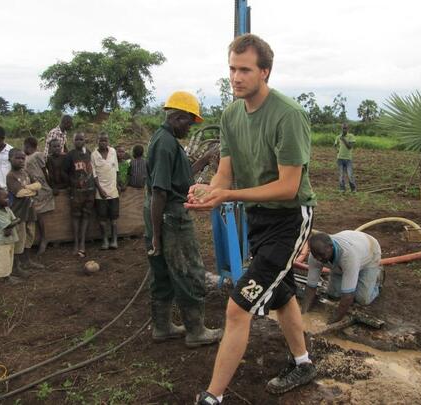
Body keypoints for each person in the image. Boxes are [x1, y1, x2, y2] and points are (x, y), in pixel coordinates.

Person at [186, 34, 317, 404]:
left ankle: (213, 397)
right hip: (258, 218)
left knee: (238, 306)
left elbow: (288, 187)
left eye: (244, 69)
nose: (236, 77)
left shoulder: (288, 115)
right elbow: (225, 172)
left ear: (265, 72)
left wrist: (228, 196)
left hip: (290, 218)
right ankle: (303, 363)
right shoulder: (230, 116)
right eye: (232, 68)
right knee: (282, 293)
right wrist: (211, 191)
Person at [145, 91, 223, 350]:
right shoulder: (166, 143)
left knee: (163, 273)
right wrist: (157, 235)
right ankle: (196, 331)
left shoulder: (164, 139)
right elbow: (159, 191)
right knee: (189, 271)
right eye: (189, 123)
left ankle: (162, 326)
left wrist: (203, 161)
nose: (190, 128)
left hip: (160, 215)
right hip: (171, 217)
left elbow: (179, 177)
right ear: (178, 117)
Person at [305, 231, 384, 321]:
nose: (318, 258)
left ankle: (377, 278)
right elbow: (311, 287)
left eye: (322, 255)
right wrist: (303, 313)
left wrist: (333, 321)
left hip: (370, 252)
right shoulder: (316, 254)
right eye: (315, 255)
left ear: (330, 247)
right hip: (349, 255)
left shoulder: (348, 256)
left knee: (362, 299)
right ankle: (352, 276)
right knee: (334, 294)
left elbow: (348, 296)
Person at [6, 149, 45, 272]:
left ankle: (27, 261)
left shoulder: (25, 172)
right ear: (10, 159)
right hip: (18, 212)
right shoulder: (11, 176)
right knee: (20, 238)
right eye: (17, 158)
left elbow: (39, 185)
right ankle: (16, 266)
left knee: (29, 236)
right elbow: (20, 193)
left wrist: (28, 188)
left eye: (23, 158)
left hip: (30, 210)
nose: (21, 161)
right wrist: (32, 190)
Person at [64, 133, 95, 257]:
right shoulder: (70, 155)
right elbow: (64, 172)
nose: (78, 141)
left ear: (85, 140)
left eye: (81, 139)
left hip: (90, 190)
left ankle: (82, 243)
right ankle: (76, 243)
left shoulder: (89, 153)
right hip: (76, 192)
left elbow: (93, 171)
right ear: (73, 141)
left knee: (86, 216)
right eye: (76, 139)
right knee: (76, 216)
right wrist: (73, 182)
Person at [24, 137, 55, 255]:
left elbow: (45, 170)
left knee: (38, 214)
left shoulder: (37, 155)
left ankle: (44, 239)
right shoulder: (26, 157)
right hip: (33, 188)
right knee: (34, 214)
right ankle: (36, 240)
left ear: (27, 145)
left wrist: (50, 185)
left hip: (41, 188)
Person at [91, 133, 119, 250]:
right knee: (102, 218)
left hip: (113, 191)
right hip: (100, 192)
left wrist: (116, 185)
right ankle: (105, 240)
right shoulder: (94, 155)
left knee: (114, 218)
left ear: (108, 141)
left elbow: (116, 170)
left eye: (105, 140)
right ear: (97, 141)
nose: (103, 143)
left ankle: (114, 240)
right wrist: (100, 189)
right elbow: (94, 175)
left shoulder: (113, 151)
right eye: (101, 140)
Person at [0, 187, 22, 284]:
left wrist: (14, 222)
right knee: (3, 260)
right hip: (2, 241)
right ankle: (6, 278)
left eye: (7, 197)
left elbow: (13, 220)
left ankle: (8, 276)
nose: (8, 199)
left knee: (9, 259)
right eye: (5, 198)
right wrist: (16, 221)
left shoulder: (7, 209)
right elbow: (10, 223)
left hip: (10, 238)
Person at [334, 123, 356, 192]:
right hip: (340, 158)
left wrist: (343, 139)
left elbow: (349, 147)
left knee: (350, 175)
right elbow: (335, 145)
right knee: (341, 175)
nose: (344, 129)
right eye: (343, 128)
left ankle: (353, 189)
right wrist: (337, 150)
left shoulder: (351, 136)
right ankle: (342, 189)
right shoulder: (338, 137)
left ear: (348, 129)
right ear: (341, 129)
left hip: (348, 159)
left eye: (345, 128)